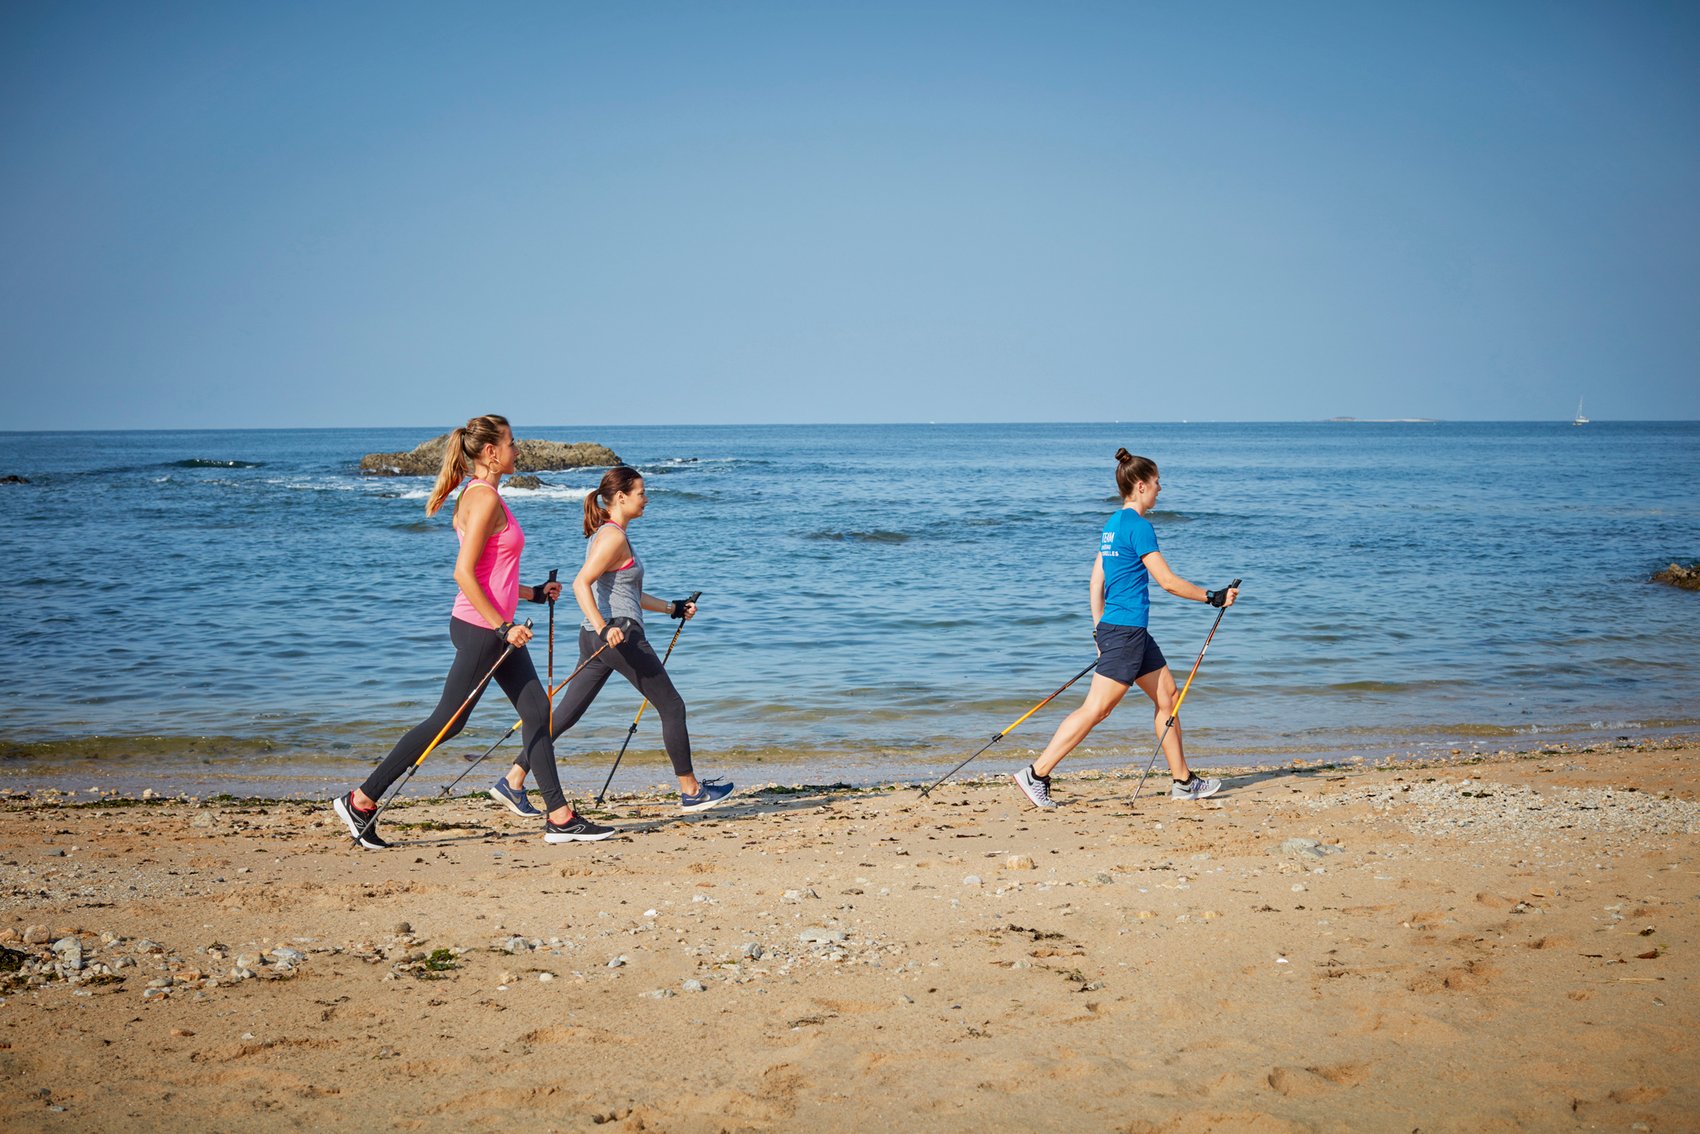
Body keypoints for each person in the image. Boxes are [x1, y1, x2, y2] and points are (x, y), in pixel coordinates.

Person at [332, 415, 614, 848]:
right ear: (491, 452)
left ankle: (559, 818)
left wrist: (533, 593)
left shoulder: (481, 495)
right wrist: (503, 625)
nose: (518, 450)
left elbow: (490, 575)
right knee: (447, 721)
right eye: (512, 443)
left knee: (536, 713)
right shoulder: (483, 499)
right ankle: (362, 799)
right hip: (486, 630)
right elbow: (464, 574)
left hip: (492, 627)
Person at [492, 465, 734, 814]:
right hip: (617, 636)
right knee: (672, 706)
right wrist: (605, 627)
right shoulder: (613, 537)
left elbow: (629, 592)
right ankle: (691, 791)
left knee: (564, 715)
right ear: (621, 497)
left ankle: (513, 779)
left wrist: (673, 607)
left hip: (596, 638)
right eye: (640, 493)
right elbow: (580, 584)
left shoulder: (606, 533)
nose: (646, 499)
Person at [1012, 447, 1239, 809]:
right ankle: (1036, 774)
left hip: (1123, 631)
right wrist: (1212, 596)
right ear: (1139, 485)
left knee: (1168, 695)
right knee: (1097, 709)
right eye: (1156, 482)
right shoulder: (1139, 527)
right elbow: (1166, 582)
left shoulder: (1111, 526)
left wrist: (1098, 628)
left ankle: (1183, 781)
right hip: (1126, 632)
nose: (1160, 488)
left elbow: (1095, 582)